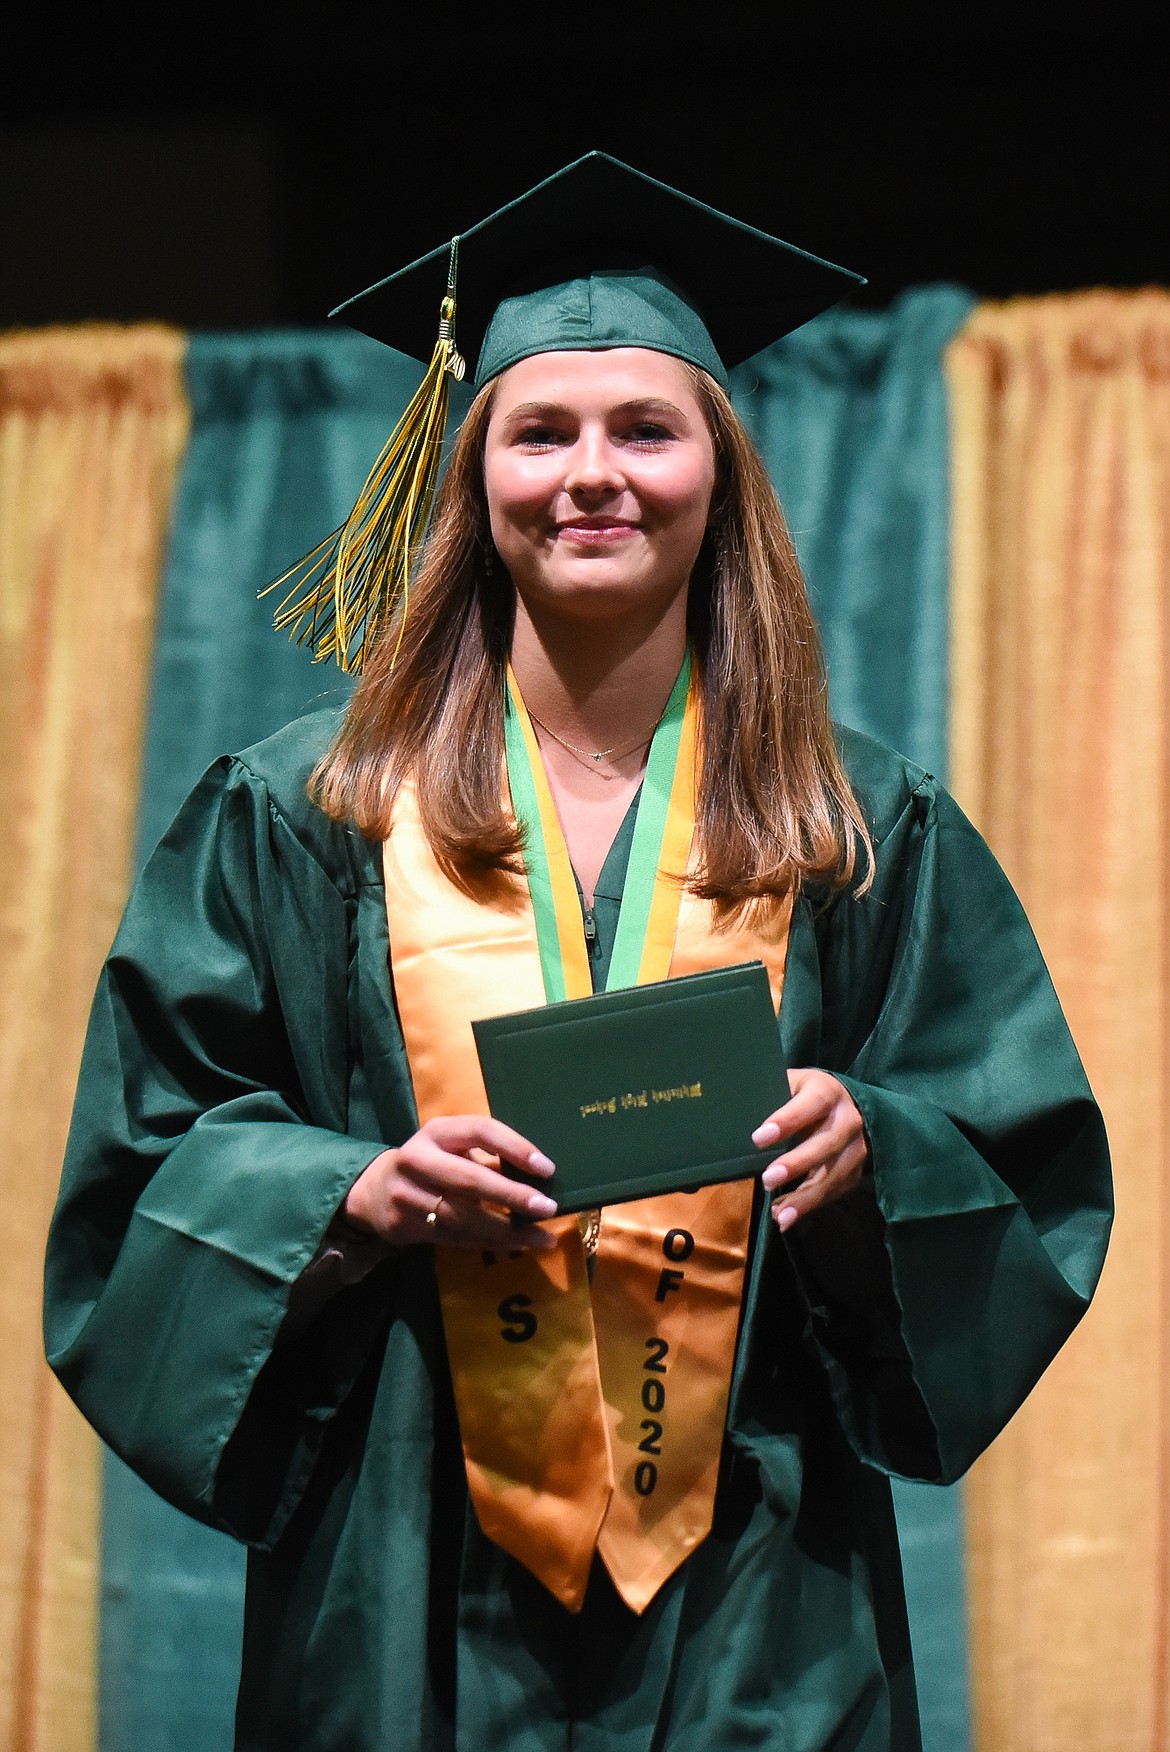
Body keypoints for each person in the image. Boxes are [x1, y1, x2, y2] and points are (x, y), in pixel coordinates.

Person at [44, 153, 1112, 1751]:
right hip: (402, 1559)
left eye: (644, 430)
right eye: (539, 431)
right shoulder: (304, 813)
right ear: (472, 476)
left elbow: (1019, 1162)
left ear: (719, 474)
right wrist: (346, 1194)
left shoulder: (851, 821)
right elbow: (141, 1165)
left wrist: (868, 1149)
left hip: (759, 1580)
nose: (588, 474)